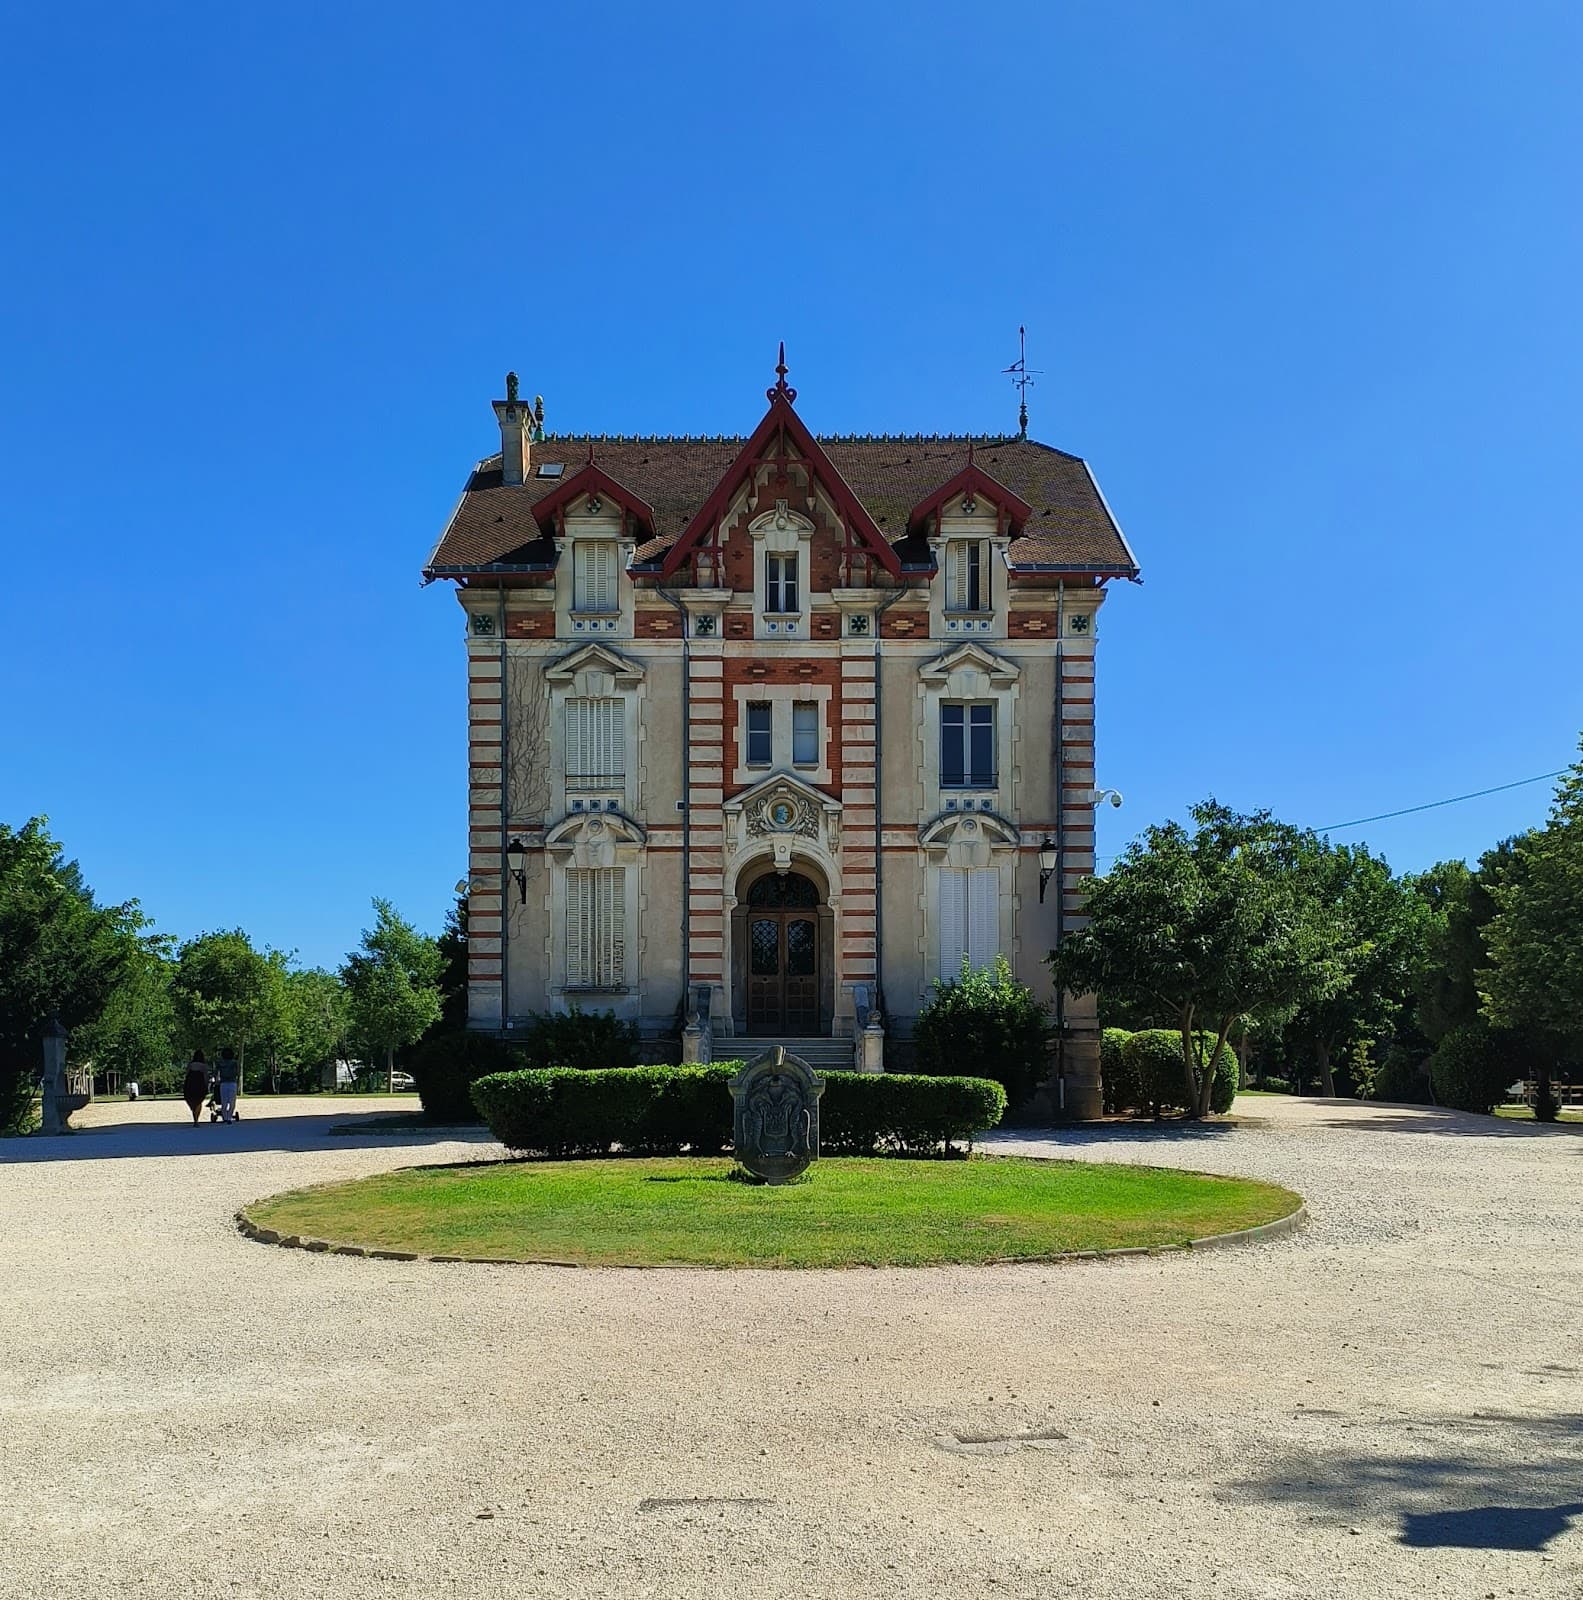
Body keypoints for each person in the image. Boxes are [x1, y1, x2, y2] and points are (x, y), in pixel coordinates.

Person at [182, 1049, 209, 1125]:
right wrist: (206, 1085)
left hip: (190, 1085)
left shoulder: (190, 1065)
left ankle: (194, 1117)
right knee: (199, 1102)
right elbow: (205, 1076)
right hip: (200, 1085)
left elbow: (187, 1075)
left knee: (192, 1102)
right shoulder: (203, 1066)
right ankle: (196, 1120)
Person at [215, 1048, 241, 1123]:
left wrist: (216, 1080)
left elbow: (216, 1073)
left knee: (224, 1101)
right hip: (232, 1083)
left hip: (223, 1083)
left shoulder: (220, 1063)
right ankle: (229, 1116)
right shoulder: (234, 1063)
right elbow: (237, 1073)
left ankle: (225, 1117)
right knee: (232, 1101)